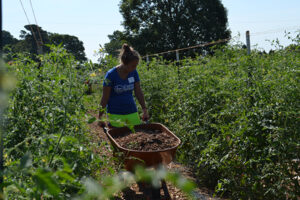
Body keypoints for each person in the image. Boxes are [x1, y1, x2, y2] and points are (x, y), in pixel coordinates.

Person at [98, 44, 149, 128]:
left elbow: (138, 91)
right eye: (133, 66)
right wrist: (100, 116)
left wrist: (144, 109)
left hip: (131, 111)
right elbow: (105, 97)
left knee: (137, 135)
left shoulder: (134, 73)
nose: (134, 68)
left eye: (136, 66)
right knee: (119, 137)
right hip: (115, 114)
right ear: (125, 63)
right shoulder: (111, 75)